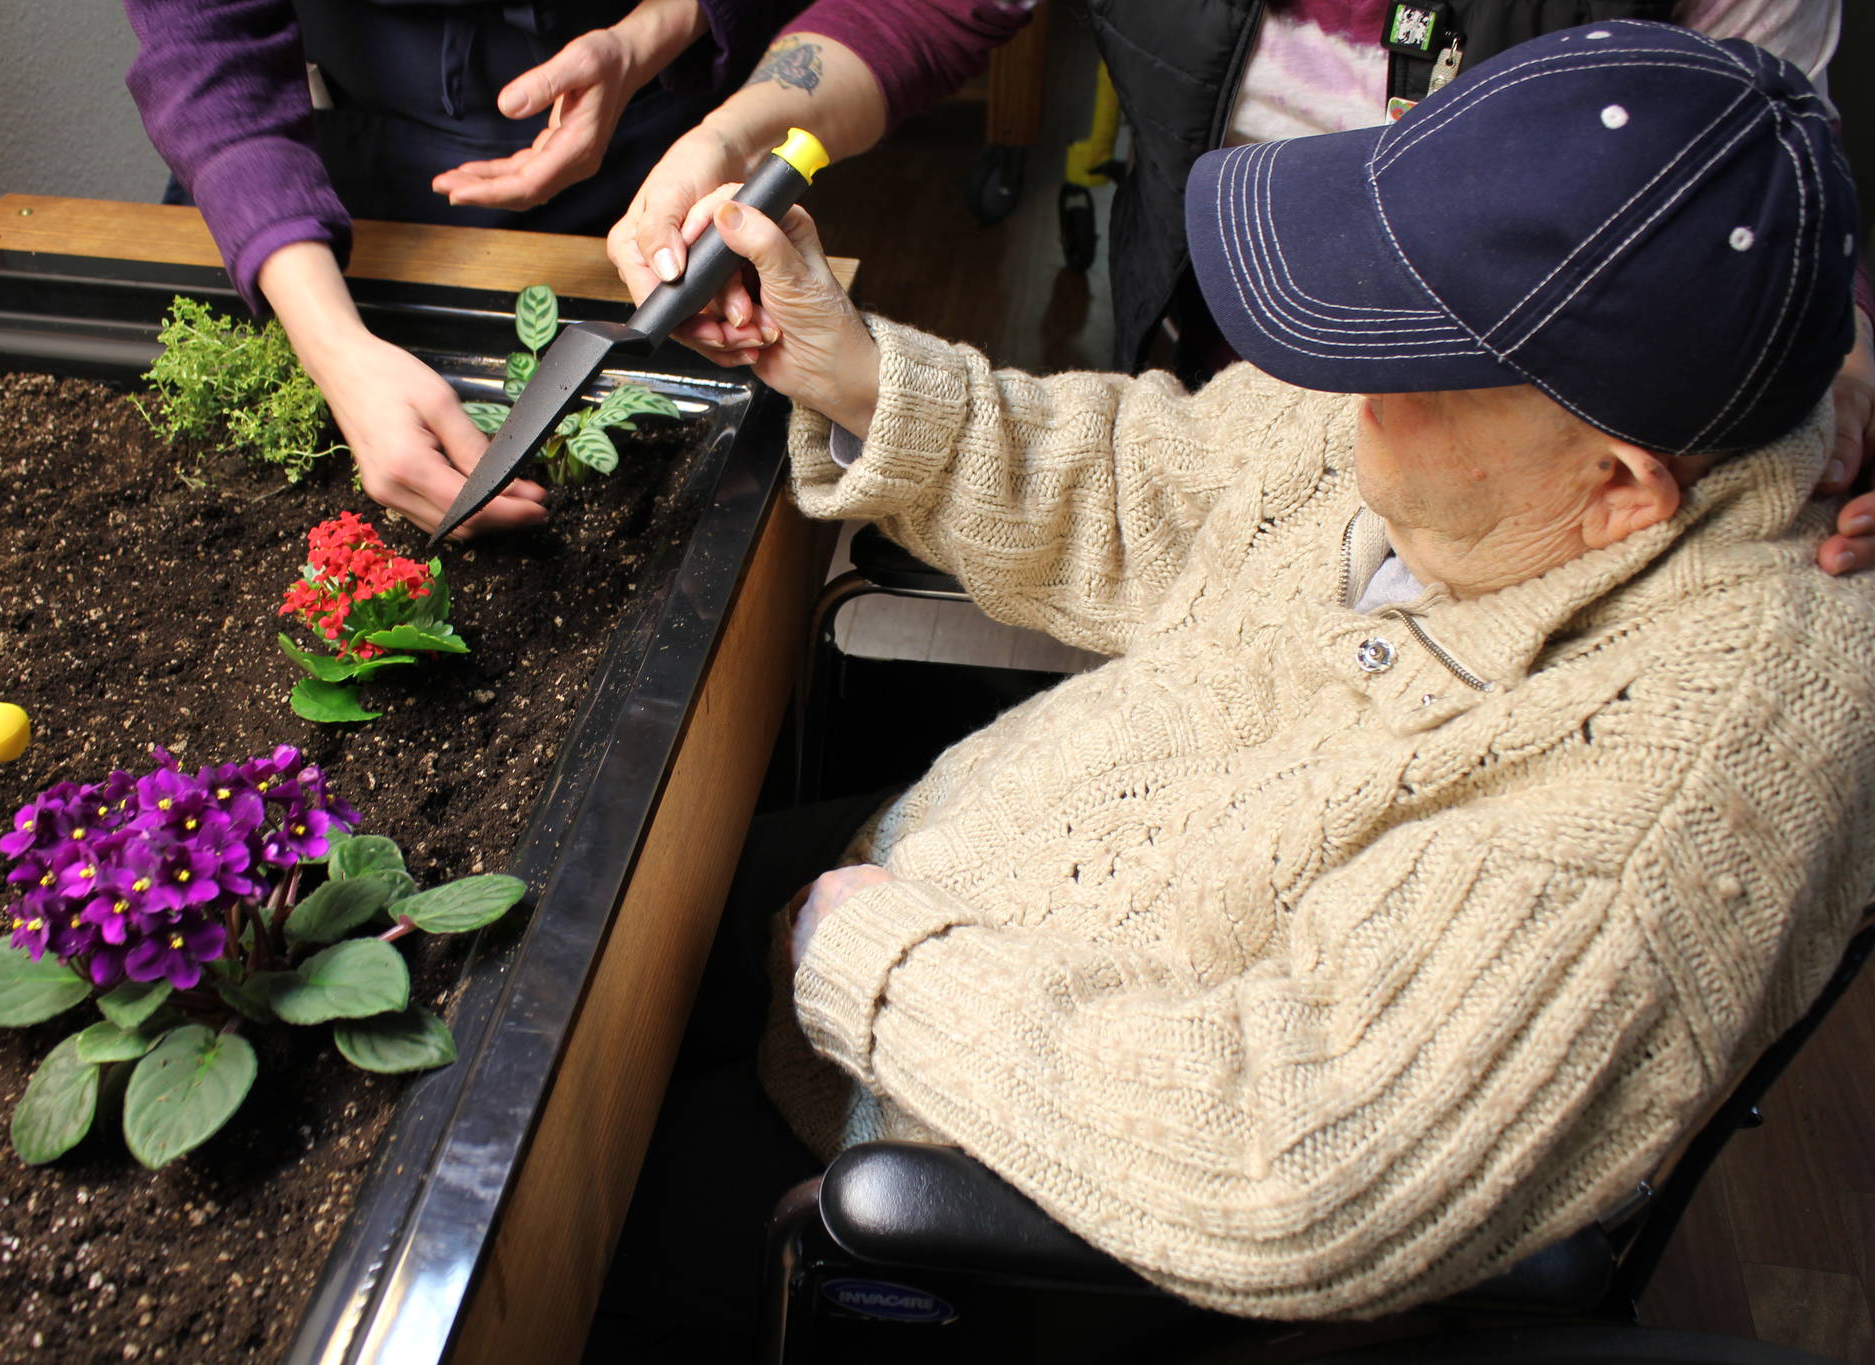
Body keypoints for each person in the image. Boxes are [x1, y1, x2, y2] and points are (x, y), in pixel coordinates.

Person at [644, 21, 1875, 1322]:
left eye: (1395, 368)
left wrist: (879, 966)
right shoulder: (1502, 419)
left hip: (966, 1176)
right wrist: (851, 370)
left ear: (1618, 488)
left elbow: (1297, 1159)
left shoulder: (1682, 773)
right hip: (910, 902)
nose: (1333, 389)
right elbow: (1157, 490)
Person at [609, 0, 1875, 576]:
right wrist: (745, 141)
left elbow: (1767, 205)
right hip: (1247, 379)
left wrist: (1841, 392)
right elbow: (1170, 484)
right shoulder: (1273, 447)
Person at [120, 0, 783, 537]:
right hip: (325, 157)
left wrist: (650, 35)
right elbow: (203, 37)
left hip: (642, 131)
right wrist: (334, 348)